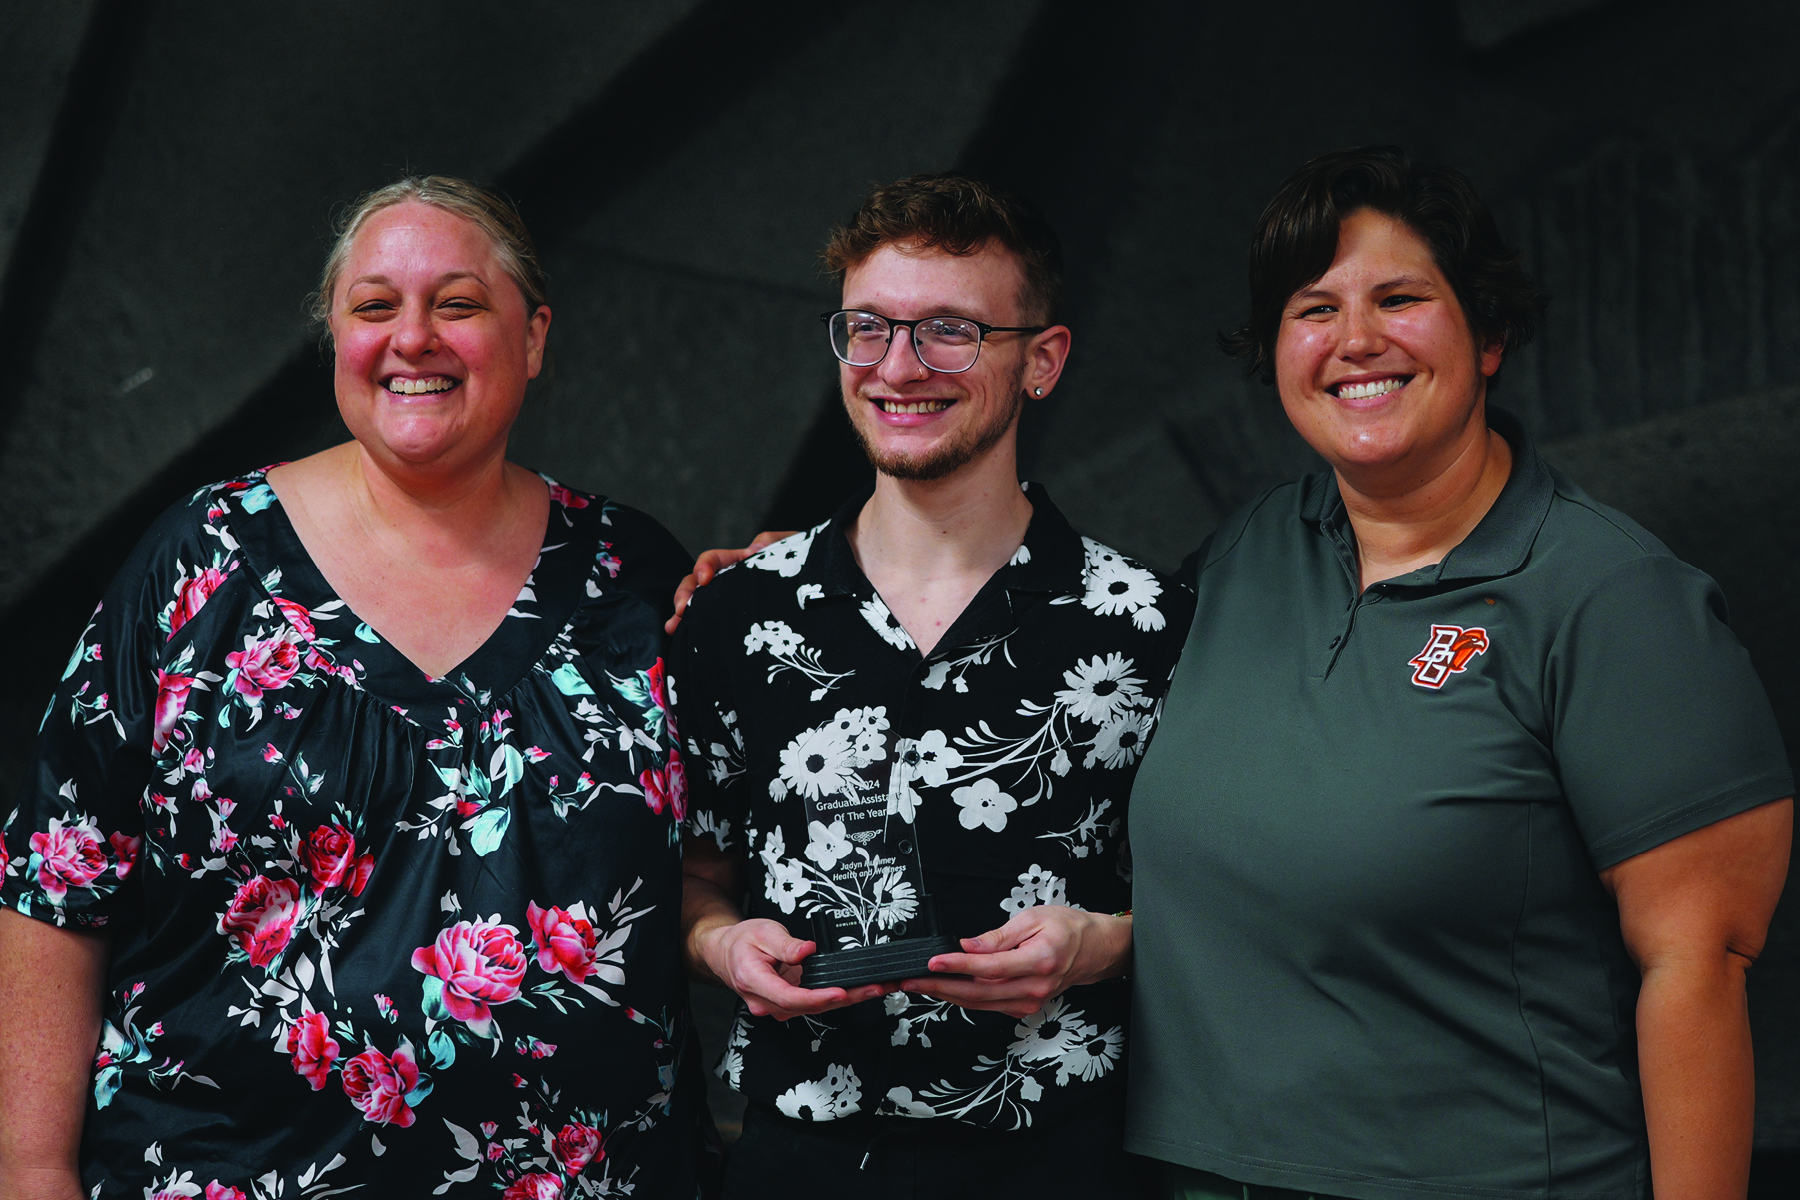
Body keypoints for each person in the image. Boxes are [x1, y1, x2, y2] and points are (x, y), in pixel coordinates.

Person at [0, 176, 701, 1198]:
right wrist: (29, 1172)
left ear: (535, 337)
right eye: (375, 307)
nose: (412, 337)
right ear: (337, 337)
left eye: (457, 304)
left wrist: (797, 594)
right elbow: (57, 882)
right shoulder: (203, 562)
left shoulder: (635, 578)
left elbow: (735, 855)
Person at [1125, 147, 1793, 1200]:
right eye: (1313, 310)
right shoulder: (1249, 551)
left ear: (1487, 335)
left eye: (1400, 298)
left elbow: (1698, 969)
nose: (1356, 341)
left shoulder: (1610, 599)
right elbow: (1057, 667)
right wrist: (856, 581)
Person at [670, 173, 1191, 1198]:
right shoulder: (740, 616)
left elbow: (1240, 904)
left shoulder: (1150, 627)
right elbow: (694, 876)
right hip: (796, 1162)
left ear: (1041, 360)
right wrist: (721, 946)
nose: (899, 367)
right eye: (869, 328)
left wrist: (1104, 947)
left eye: (951, 331)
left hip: (1062, 1161)